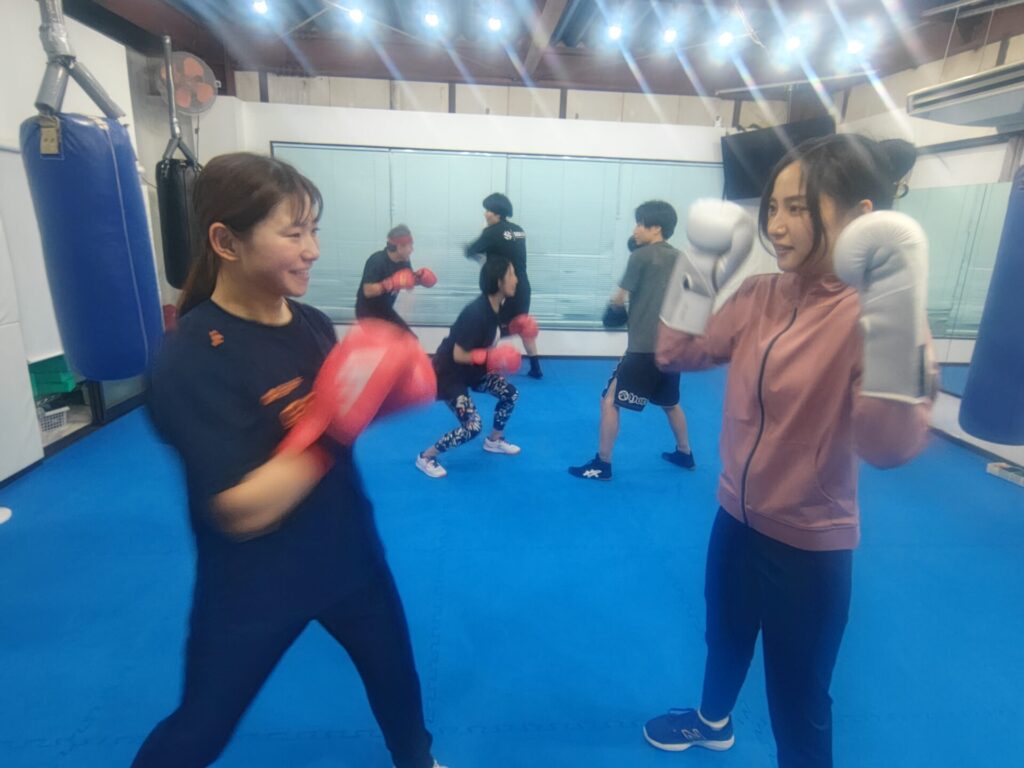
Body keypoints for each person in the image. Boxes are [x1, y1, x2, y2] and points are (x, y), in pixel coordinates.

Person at [133, 153, 444, 768]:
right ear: (226, 242)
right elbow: (241, 510)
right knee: (200, 728)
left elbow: (328, 430)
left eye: (314, 231)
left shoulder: (311, 325)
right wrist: (335, 425)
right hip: (255, 581)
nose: (313, 251)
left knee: (399, 689)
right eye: (293, 233)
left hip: (349, 554)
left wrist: (385, 398)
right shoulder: (190, 359)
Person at [643, 134, 934, 767]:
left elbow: (888, 446)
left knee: (798, 700)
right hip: (735, 517)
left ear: (861, 217)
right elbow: (676, 352)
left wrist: (893, 315)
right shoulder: (759, 295)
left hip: (809, 545)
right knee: (723, 638)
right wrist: (700, 266)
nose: (775, 225)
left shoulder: (875, 315)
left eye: (797, 208)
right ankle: (712, 724)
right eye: (772, 206)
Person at [568, 201, 695, 481]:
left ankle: (602, 464)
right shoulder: (683, 258)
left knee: (609, 401)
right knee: (670, 403)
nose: (635, 229)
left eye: (639, 223)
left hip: (642, 349)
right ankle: (685, 453)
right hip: (672, 349)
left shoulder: (641, 256)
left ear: (656, 228)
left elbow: (619, 297)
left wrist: (615, 311)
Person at [416, 257, 523, 479]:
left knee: (510, 394)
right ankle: (426, 457)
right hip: (450, 374)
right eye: (511, 274)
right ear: (499, 281)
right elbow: (459, 354)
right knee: (473, 426)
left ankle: (494, 440)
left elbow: (490, 333)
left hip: (474, 371)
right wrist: (493, 357)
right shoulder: (475, 313)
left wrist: (515, 328)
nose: (516, 279)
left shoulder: (496, 306)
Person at [465, 192, 542, 378]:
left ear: (498, 213)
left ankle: (486, 366)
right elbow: (508, 250)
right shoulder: (518, 230)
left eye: (488, 210)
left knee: (492, 326)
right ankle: (536, 367)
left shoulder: (491, 232)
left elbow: (471, 250)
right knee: (523, 325)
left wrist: (482, 258)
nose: (485, 214)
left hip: (504, 289)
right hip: (522, 286)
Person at [355, 224, 437, 333]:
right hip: (367, 314)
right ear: (399, 247)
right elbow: (368, 291)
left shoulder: (404, 261)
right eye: (410, 246)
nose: (412, 250)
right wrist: (391, 283)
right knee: (386, 342)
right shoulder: (376, 261)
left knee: (410, 339)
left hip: (385, 310)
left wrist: (419, 279)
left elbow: (406, 281)